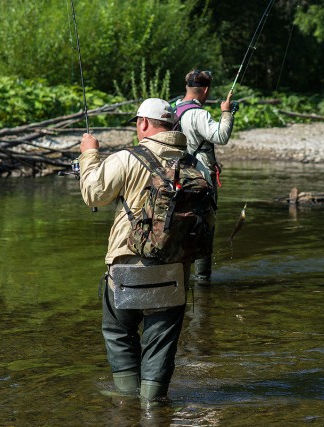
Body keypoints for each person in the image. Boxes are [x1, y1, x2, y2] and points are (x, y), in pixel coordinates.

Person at [77, 98, 210, 403]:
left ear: (144, 123)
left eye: (138, 122)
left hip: (128, 266)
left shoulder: (126, 157)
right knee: (161, 342)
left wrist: (89, 154)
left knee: (119, 334)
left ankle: (126, 402)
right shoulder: (195, 162)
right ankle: (153, 405)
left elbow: (94, 195)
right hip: (175, 271)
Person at [174, 69, 235, 284]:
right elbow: (220, 136)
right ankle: (202, 281)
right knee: (205, 226)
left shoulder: (174, 108)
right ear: (206, 90)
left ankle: (179, 278)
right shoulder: (198, 114)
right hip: (201, 177)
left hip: (178, 176)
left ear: (187, 86)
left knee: (181, 224)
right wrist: (227, 113)